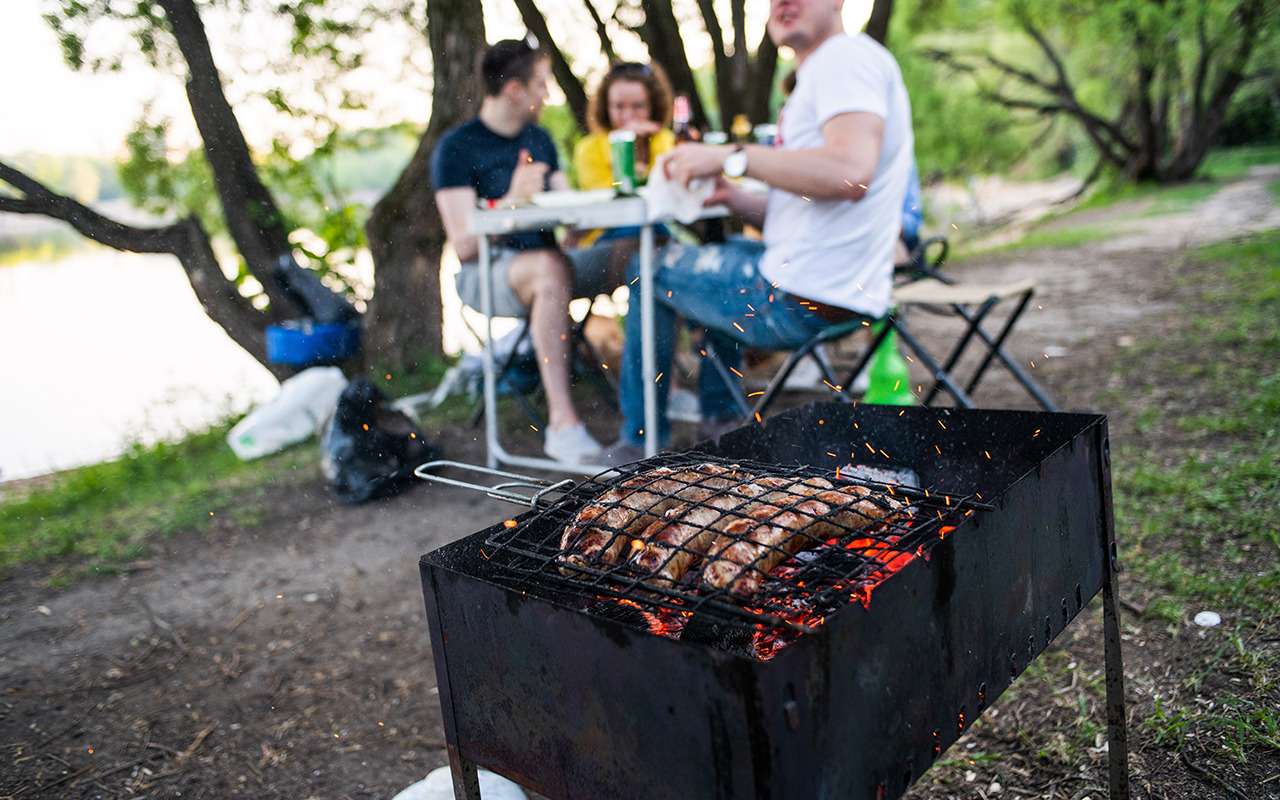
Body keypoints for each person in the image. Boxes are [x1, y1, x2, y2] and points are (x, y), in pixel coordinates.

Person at [604, 0, 915, 461]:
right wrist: (733, 197)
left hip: (799, 296)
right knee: (719, 257)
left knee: (645, 266)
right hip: (838, 291)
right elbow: (811, 208)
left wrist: (734, 155)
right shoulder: (832, 69)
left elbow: (851, 173)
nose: (782, 2)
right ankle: (721, 427)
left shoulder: (843, 59)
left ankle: (641, 440)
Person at [432, 39, 629, 464]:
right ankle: (562, 426)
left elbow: (566, 208)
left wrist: (595, 213)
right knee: (549, 268)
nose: (548, 95)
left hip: (552, 260)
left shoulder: (540, 138)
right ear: (515, 90)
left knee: (637, 250)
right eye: (541, 84)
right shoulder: (457, 148)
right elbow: (464, 245)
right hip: (486, 273)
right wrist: (511, 202)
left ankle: (660, 394)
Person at [574, 61, 677, 192]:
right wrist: (625, 145)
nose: (628, 116)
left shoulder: (667, 140)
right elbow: (600, 191)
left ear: (654, 107)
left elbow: (672, 184)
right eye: (619, 106)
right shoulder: (588, 149)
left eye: (638, 106)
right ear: (606, 108)